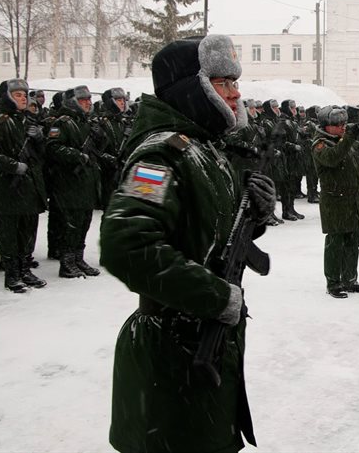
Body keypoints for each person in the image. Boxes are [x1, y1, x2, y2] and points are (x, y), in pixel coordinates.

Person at [100, 35, 276, 453]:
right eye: (222, 82)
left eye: (235, 82)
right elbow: (129, 245)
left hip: (202, 344)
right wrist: (215, 296)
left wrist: (256, 213)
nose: (235, 93)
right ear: (191, 88)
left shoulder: (205, 149)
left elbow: (210, 234)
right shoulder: (160, 157)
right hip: (170, 352)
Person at [0, 79, 48, 292]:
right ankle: (12, 274)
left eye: (25, 94)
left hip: (30, 187)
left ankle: (25, 268)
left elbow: (43, 155)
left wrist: (40, 140)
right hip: (8, 188)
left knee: (28, 230)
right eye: (18, 94)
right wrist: (12, 166)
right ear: (7, 96)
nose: (24, 98)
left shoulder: (29, 122)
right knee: (10, 232)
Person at [312, 105, 359, 298]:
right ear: (326, 126)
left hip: (354, 200)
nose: (342, 127)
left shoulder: (346, 143)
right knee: (335, 243)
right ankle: (333, 283)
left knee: (352, 243)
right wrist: (350, 136)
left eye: (344, 124)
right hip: (335, 201)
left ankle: (350, 280)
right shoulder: (320, 144)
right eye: (338, 124)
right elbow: (332, 159)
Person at [46, 86, 103, 278]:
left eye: (89, 99)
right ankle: (67, 261)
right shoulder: (62, 123)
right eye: (83, 100)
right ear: (72, 102)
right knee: (71, 224)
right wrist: (77, 156)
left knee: (84, 222)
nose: (88, 102)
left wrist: (98, 135)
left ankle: (79, 258)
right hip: (69, 182)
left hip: (86, 182)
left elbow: (98, 150)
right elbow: (53, 148)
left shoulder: (85, 122)